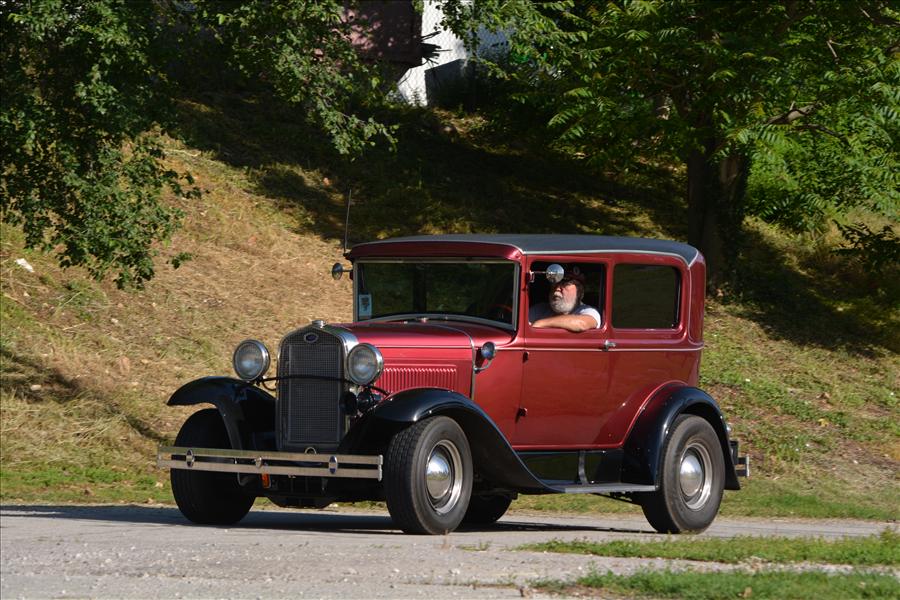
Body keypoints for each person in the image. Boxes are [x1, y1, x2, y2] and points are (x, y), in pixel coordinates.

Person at [529, 270, 601, 332]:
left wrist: (541, 323)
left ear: (580, 292)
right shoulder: (540, 309)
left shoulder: (589, 311)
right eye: (555, 283)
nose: (557, 289)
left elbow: (582, 324)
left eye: (565, 284)